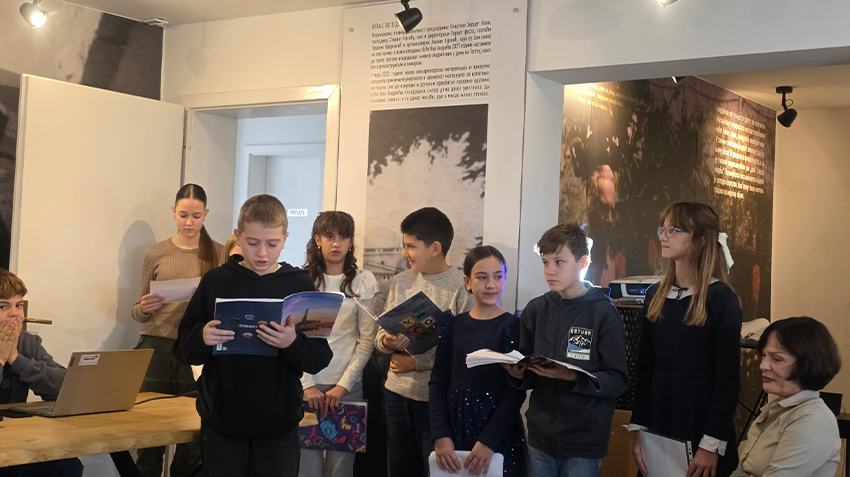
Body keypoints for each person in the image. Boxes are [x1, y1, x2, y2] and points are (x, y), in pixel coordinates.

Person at [173, 194, 333, 477]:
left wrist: (292, 343)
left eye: (272, 244)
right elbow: (181, 350)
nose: (262, 253)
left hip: (278, 427)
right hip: (223, 425)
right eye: (252, 242)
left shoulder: (300, 283)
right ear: (237, 236)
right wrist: (202, 338)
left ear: (285, 238)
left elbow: (320, 358)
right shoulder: (216, 280)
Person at [505, 223, 628, 477]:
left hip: (583, 442)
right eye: (545, 262)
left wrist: (573, 377)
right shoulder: (536, 310)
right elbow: (528, 369)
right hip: (539, 437)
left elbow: (617, 380)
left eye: (559, 262)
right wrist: (517, 374)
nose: (549, 270)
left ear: (583, 263)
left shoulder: (603, 313)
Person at [630, 202, 742, 477]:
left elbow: (728, 379)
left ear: (700, 240)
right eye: (663, 229)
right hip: (660, 419)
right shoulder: (655, 295)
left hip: (701, 424)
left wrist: (711, 444)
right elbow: (644, 368)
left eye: (674, 230)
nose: (664, 236)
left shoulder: (721, 298)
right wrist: (639, 428)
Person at [375, 207, 475, 477]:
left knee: (435, 469)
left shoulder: (461, 287)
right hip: (396, 393)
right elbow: (379, 335)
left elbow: (463, 350)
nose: (404, 253)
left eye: (411, 246)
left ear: (435, 248)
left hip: (436, 400)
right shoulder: (400, 282)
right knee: (399, 467)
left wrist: (416, 363)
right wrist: (387, 342)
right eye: (404, 245)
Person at [132, 183, 222, 477]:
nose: (189, 222)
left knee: (192, 432)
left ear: (206, 214)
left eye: (196, 216)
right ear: (173, 212)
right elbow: (137, 312)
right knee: (149, 431)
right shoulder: (156, 252)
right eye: (183, 215)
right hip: (155, 345)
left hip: (195, 348)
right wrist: (144, 307)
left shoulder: (218, 253)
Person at [430, 245, 527, 477]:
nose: (491, 284)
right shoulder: (454, 325)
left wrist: (488, 441)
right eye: (482, 277)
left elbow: (515, 391)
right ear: (467, 282)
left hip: (498, 433)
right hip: (455, 428)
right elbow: (437, 382)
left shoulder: (513, 327)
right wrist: (441, 435)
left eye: (498, 276)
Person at [299, 211, 379, 477]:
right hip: (306, 385)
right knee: (306, 469)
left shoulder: (363, 280)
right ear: (317, 239)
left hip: (347, 387)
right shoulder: (302, 279)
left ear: (351, 241)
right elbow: (294, 339)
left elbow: (366, 340)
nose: (336, 243)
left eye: (344, 237)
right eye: (329, 236)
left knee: (340, 470)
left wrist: (344, 385)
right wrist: (307, 385)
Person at [731, 316, 842, 477]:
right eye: (764, 355)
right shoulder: (774, 410)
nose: (763, 365)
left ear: (807, 364)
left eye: (776, 359)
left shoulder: (813, 419)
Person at [0, 269, 83, 477]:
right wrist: (1, 359)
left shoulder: (28, 342)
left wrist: (16, 360)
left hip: (17, 438)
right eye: (3, 306)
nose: (15, 314)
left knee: (69, 466)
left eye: (19, 305)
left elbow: (64, 387)